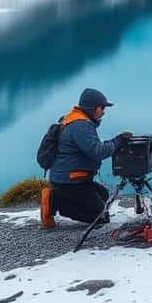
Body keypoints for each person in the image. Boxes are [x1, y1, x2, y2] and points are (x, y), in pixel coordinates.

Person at [40, 88, 130, 228]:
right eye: (102, 107)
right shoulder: (81, 126)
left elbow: (93, 147)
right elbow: (97, 152)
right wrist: (117, 142)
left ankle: (58, 197)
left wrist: (115, 141)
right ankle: (54, 200)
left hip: (71, 178)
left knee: (103, 195)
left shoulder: (74, 119)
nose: (104, 111)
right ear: (92, 108)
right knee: (100, 217)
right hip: (70, 181)